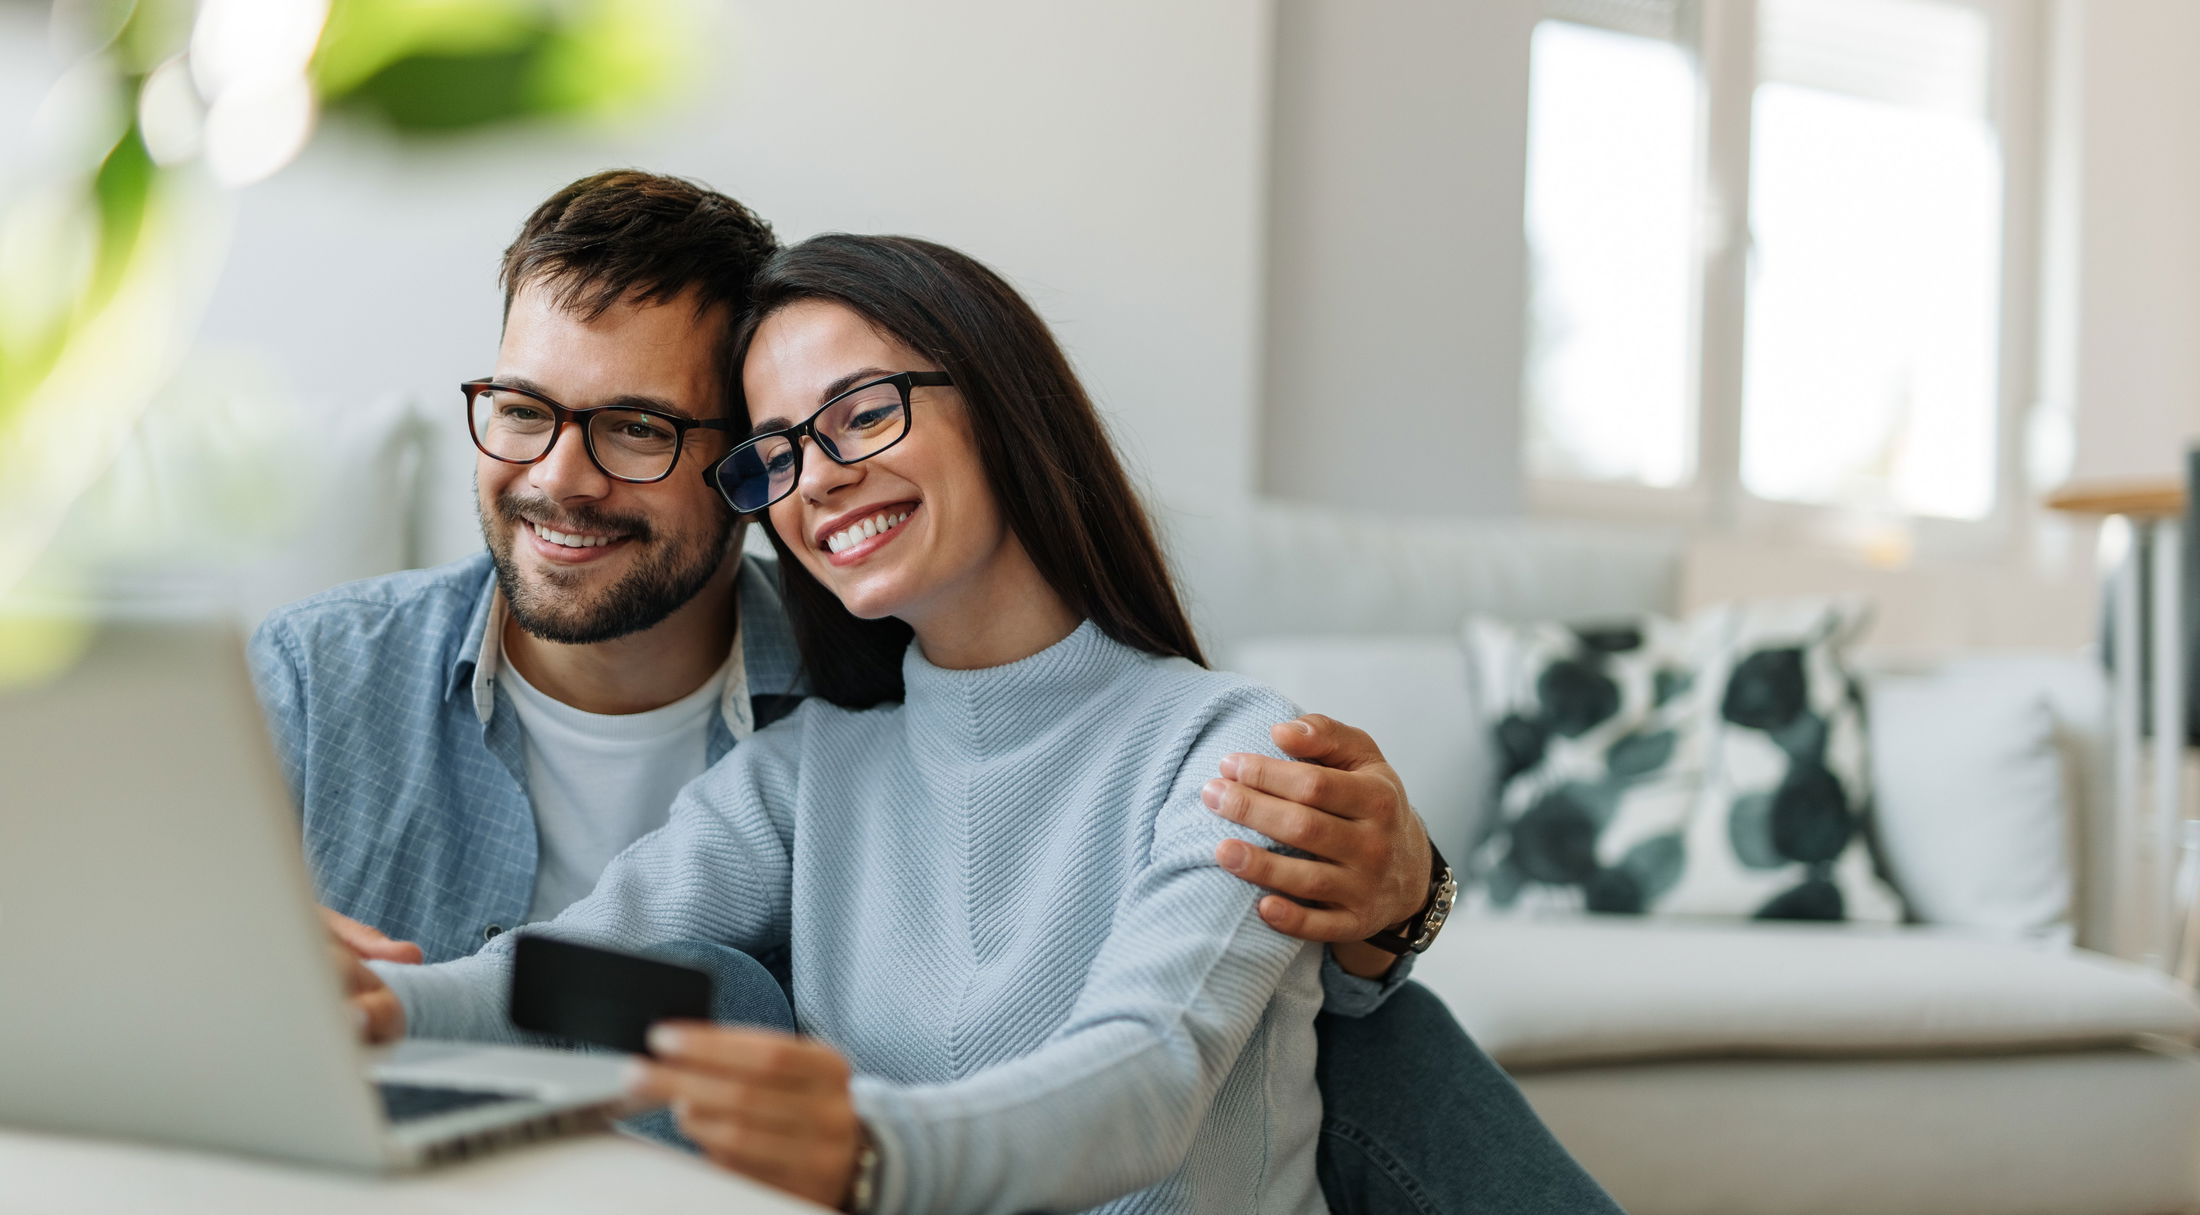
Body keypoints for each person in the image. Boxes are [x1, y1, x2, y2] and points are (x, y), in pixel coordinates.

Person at [259, 173, 1621, 1214]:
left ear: (1003, 406)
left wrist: (869, 1148)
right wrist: (397, 1003)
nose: (823, 477)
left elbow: (1146, 1077)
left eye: (861, 414)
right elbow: (594, 959)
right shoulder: (813, 770)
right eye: (784, 451)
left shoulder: (1229, 749)